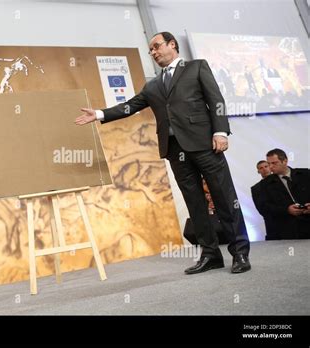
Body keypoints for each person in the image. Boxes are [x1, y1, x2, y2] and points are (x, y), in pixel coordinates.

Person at [75, 31, 250, 274]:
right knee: (195, 203)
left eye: (157, 46)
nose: (154, 52)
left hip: (205, 145)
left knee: (223, 197)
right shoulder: (153, 85)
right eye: (151, 50)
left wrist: (220, 131)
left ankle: (239, 252)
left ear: (172, 44)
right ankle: (211, 255)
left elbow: (216, 100)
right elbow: (130, 106)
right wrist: (100, 114)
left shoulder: (197, 67)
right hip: (175, 150)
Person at [261, 149, 310, 239]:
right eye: (269, 164)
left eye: (274, 163)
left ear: (285, 161)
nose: (270, 167)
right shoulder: (264, 185)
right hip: (287, 233)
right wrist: (287, 210)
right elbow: (266, 208)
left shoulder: (306, 174)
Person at [251, 160, 277, 240]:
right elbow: (261, 208)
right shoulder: (256, 188)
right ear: (258, 171)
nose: (264, 169)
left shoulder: (282, 181)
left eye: (266, 166)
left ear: (270, 167)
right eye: (261, 168)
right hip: (272, 224)